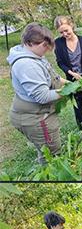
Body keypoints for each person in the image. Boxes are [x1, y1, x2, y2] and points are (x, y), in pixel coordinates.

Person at [7, 23, 67, 162]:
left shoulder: (35, 55)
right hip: (36, 118)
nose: (46, 50)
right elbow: (43, 96)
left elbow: (54, 76)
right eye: (44, 46)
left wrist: (70, 83)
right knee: (52, 155)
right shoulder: (27, 65)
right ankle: (52, 180)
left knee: (47, 150)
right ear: (29, 43)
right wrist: (68, 90)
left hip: (42, 114)